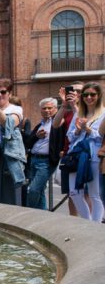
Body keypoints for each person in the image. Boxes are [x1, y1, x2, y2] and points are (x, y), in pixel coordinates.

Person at [67, 82, 104, 221]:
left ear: (98, 96)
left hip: (93, 155)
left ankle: (94, 226)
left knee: (95, 194)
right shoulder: (79, 113)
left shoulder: (103, 114)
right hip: (77, 155)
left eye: (92, 94)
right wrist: (77, 130)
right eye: (85, 95)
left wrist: (88, 129)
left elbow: (101, 137)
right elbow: (70, 136)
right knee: (74, 192)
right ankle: (86, 221)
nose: (89, 97)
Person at [53, 82, 85, 216]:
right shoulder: (67, 111)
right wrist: (64, 105)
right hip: (69, 156)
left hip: (83, 156)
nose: (75, 94)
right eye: (72, 91)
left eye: (78, 91)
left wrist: (74, 106)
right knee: (72, 193)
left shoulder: (88, 110)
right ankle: (74, 221)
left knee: (87, 192)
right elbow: (55, 124)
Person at [24, 97, 62, 209]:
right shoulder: (40, 125)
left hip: (46, 162)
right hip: (34, 160)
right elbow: (28, 142)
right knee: (39, 191)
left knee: (33, 189)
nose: (47, 110)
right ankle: (42, 214)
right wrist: (36, 136)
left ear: (56, 109)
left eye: (50, 108)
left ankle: (29, 213)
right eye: (44, 108)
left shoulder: (58, 122)